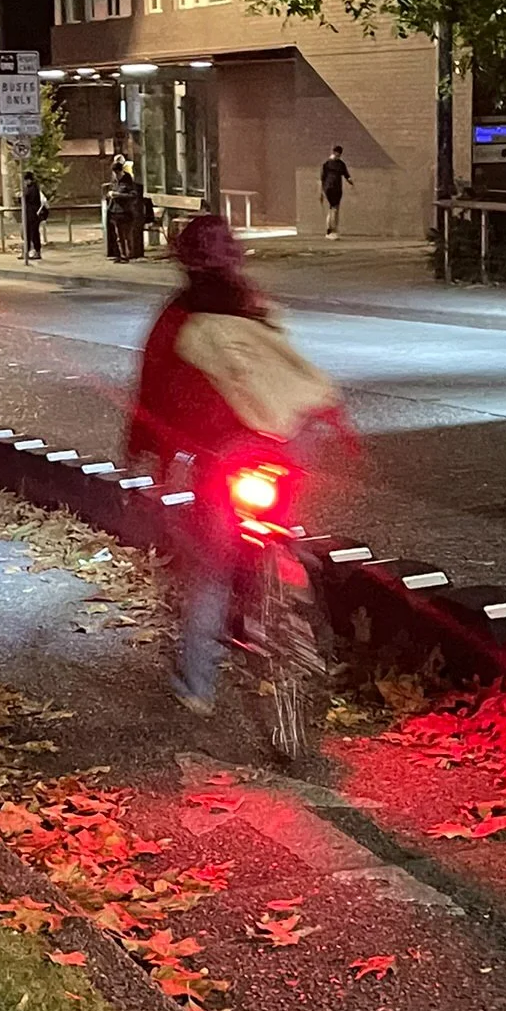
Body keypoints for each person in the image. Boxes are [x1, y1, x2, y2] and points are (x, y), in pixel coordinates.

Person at [127, 213, 348, 715]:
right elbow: (289, 371)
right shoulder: (255, 307)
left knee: (212, 567)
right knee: (280, 531)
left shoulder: (178, 317)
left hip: (221, 456)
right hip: (278, 447)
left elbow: (153, 391)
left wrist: (149, 451)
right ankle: (295, 617)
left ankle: (195, 685)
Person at [107, 156, 145, 262]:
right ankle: (122, 254)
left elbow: (133, 195)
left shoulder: (128, 180)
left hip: (126, 211)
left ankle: (128, 254)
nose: (116, 176)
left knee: (127, 235)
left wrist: (118, 195)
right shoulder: (115, 181)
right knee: (119, 236)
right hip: (115, 211)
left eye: (117, 173)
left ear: (120, 171)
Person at [320, 144, 352, 238]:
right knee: (334, 208)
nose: (338, 155)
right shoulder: (331, 164)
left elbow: (346, 175)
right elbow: (322, 178)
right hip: (332, 188)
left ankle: (330, 229)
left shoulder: (332, 163)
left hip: (334, 188)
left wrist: (350, 181)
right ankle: (332, 230)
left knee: (333, 208)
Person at [20, 169, 47, 260]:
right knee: (28, 233)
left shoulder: (32, 189)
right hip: (30, 214)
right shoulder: (33, 188)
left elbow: (26, 199)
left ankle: (34, 251)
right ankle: (27, 252)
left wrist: (21, 195)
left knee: (33, 233)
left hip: (32, 215)